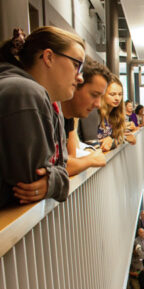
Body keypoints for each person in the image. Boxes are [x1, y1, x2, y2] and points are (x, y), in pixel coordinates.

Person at [0, 27, 85, 207]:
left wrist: (55, 179)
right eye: (76, 65)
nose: (80, 78)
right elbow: (30, 184)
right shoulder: (24, 93)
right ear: (49, 57)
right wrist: (59, 181)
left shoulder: (51, 102)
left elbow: (60, 166)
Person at [61, 58, 109, 176]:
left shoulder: (69, 118)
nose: (98, 104)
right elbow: (63, 166)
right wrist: (91, 160)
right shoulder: (52, 114)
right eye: (94, 95)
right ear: (75, 85)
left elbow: (70, 159)